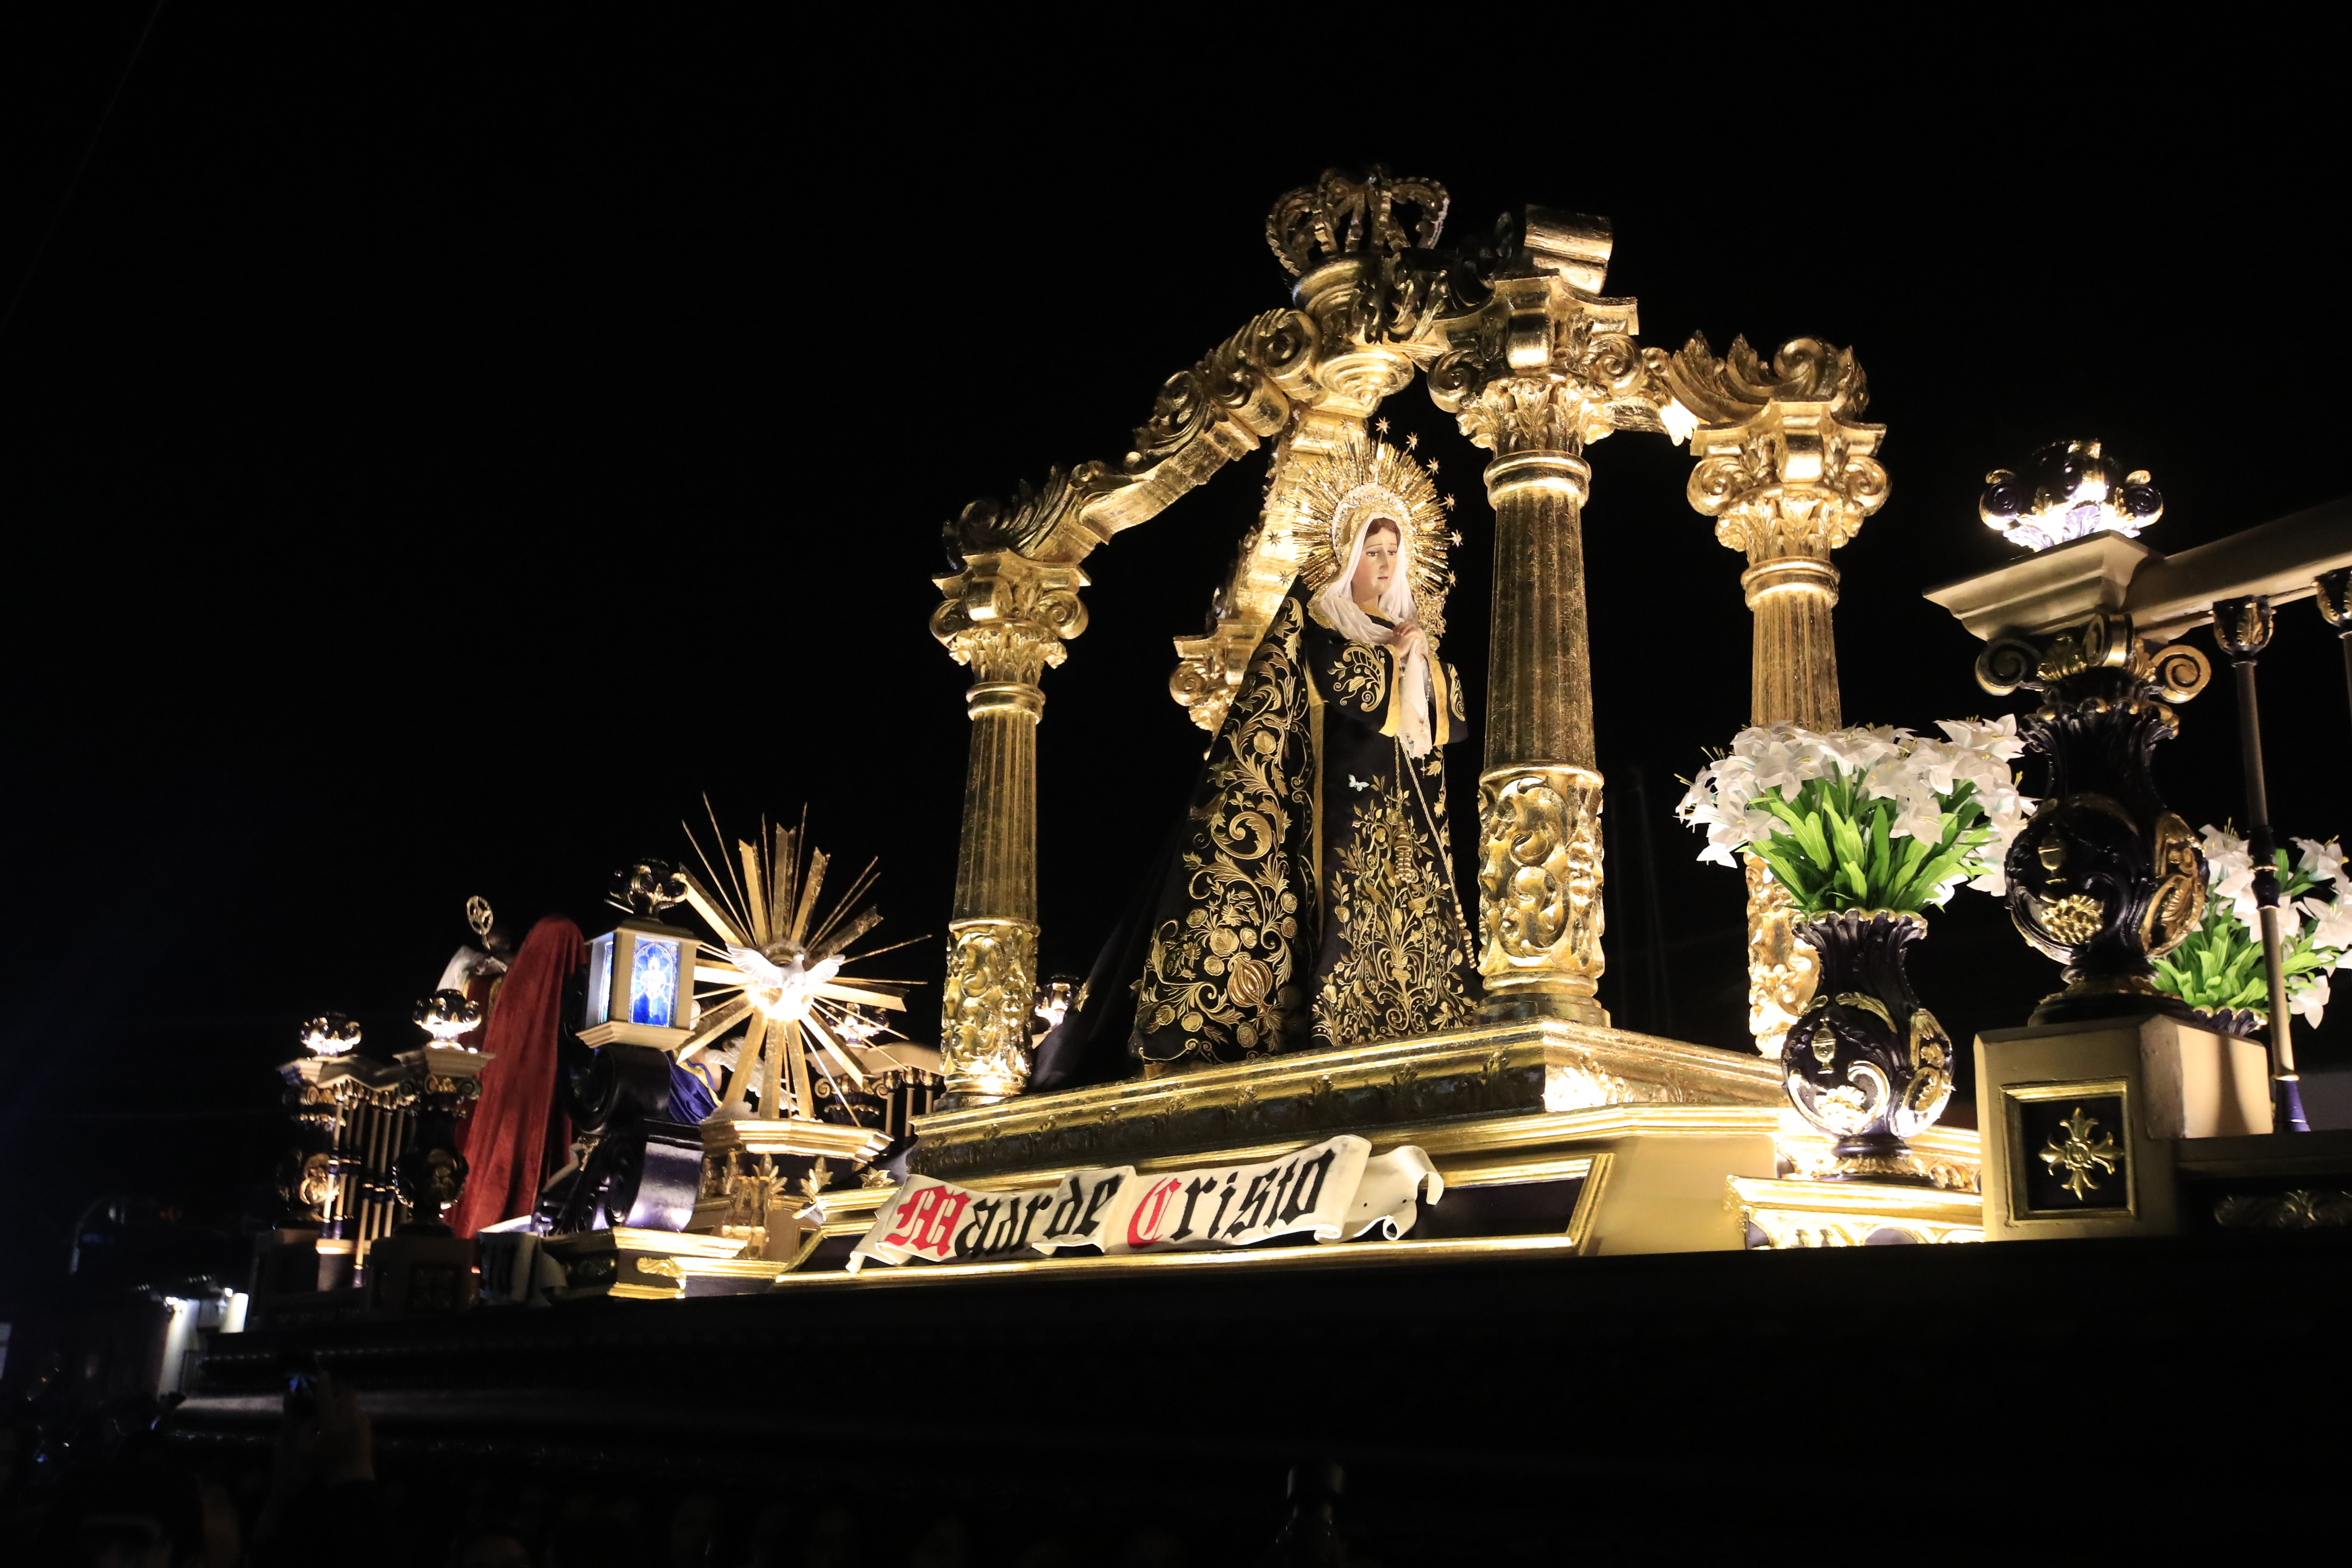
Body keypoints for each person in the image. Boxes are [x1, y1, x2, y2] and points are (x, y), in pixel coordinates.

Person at [1036, 432, 1477, 1083]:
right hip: (1333, 807)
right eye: (1372, 552)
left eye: (1393, 552)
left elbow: (1451, 722)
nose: (1385, 565)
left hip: (1404, 814)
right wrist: (1399, 659)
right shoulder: (1324, 623)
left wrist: (1417, 658)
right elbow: (1349, 687)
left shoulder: (1408, 636)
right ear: (1346, 556)